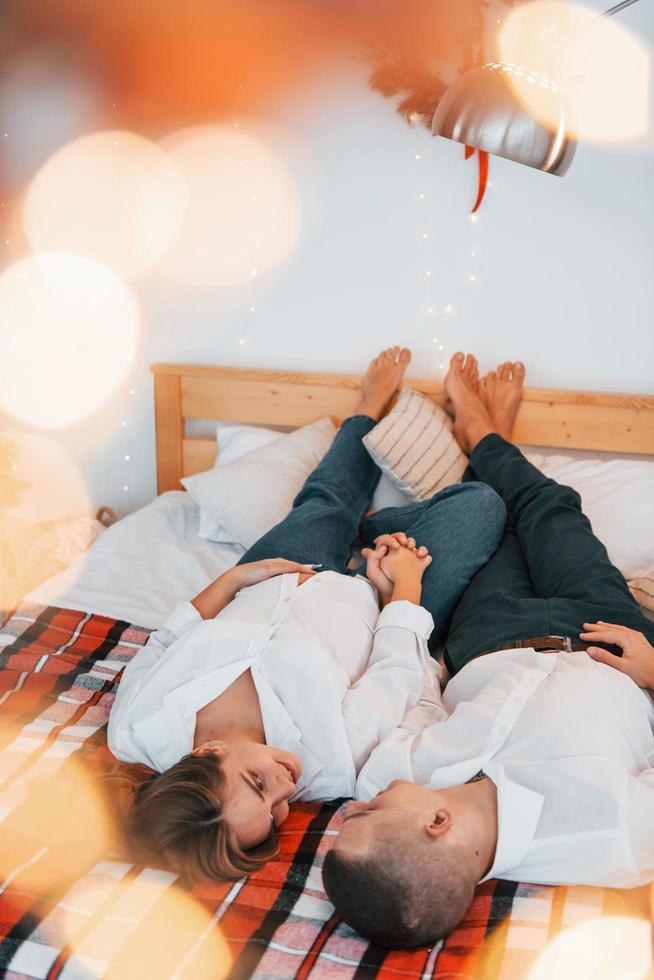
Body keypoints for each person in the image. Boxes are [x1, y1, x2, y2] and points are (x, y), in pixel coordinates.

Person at [107, 347, 507, 882]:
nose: (285, 788)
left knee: (326, 500)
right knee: (481, 507)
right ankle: (384, 533)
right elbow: (395, 672)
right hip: (382, 600)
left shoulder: (136, 728)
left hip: (278, 572)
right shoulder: (330, 764)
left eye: (257, 783)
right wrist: (400, 586)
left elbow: (166, 640)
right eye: (276, 815)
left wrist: (231, 580)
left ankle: (368, 409)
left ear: (208, 750)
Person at [323, 352, 654, 949]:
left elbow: (415, 689)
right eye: (364, 818)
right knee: (552, 508)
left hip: (485, 637)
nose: (354, 808)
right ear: (437, 824)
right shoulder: (618, 838)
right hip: (609, 636)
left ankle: (484, 436)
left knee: (495, 521)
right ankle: (487, 431)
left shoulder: (395, 773)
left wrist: (411, 609)